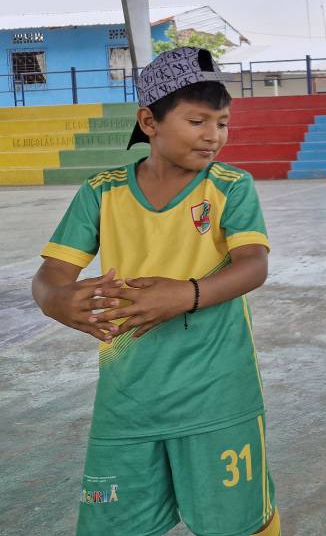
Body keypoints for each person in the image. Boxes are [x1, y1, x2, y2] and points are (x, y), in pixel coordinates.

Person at [31, 47, 280, 536]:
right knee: (114, 525)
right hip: (126, 401)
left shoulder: (230, 186)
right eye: (197, 121)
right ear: (149, 121)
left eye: (223, 123)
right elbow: (50, 275)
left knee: (238, 524)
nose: (213, 135)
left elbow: (253, 265)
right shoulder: (102, 192)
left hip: (217, 395)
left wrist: (186, 294)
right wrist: (56, 301)